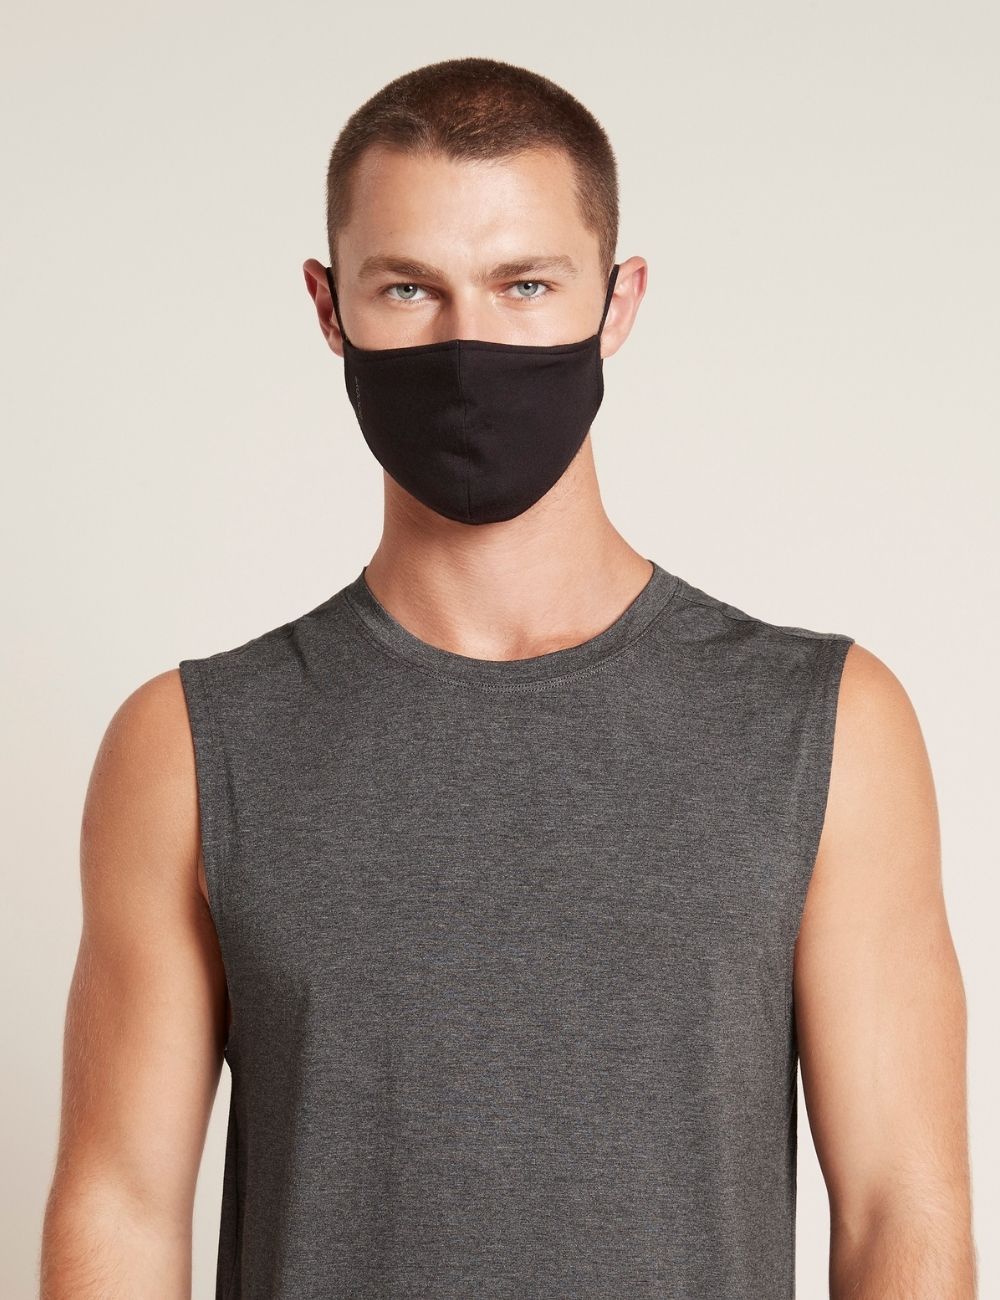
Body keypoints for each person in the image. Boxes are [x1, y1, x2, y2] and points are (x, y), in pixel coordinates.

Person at [41, 56, 976, 1298]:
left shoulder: (825, 727)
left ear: (618, 300)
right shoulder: (190, 747)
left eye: (525, 285)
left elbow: (902, 1209)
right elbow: (119, 1205)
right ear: (329, 307)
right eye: (407, 288)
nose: (465, 344)